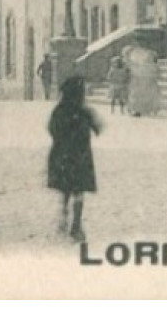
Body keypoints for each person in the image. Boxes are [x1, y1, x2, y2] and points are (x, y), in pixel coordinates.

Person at [47, 75, 101, 242]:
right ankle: (76, 224)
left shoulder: (59, 110)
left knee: (65, 189)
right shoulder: (83, 111)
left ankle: (63, 214)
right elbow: (97, 128)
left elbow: (52, 129)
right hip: (80, 157)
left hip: (62, 156)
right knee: (78, 191)